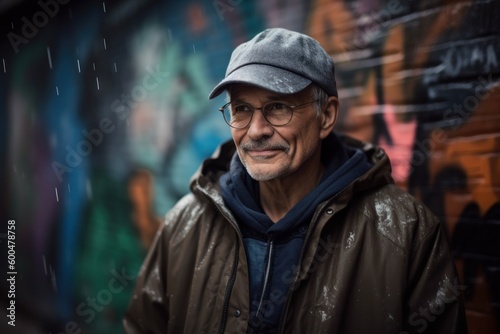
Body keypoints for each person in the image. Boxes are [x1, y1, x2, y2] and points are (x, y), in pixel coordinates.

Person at [123, 28, 467, 334]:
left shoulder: (405, 232)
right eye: (241, 109)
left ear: (326, 116)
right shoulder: (184, 225)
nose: (256, 131)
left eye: (277, 107)